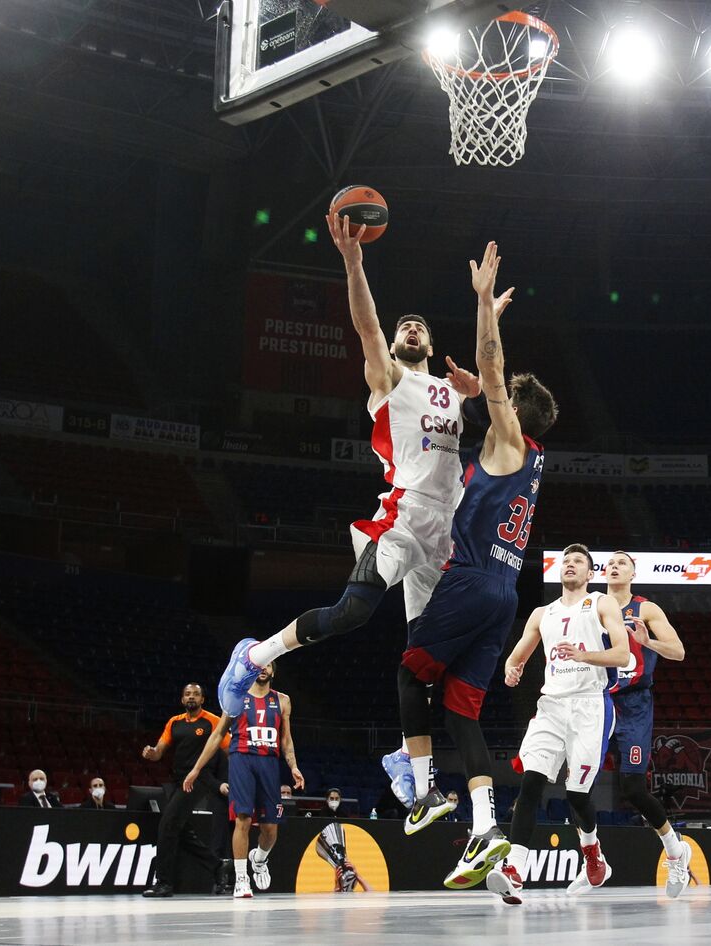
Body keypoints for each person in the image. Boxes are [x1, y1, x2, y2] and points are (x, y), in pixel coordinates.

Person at [213, 210, 480, 720]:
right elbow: (366, 326)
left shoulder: (452, 390)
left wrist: (482, 394)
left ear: (432, 344)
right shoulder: (390, 379)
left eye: (420, 327)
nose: (411, 328)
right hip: (403, 518)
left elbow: (499, 433)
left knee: (428, 659)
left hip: (447, 529)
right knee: (353, 612)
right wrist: (354, 264)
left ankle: (412, 762)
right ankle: (253, 656)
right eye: (405, 326)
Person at [388, 241, 557, 893]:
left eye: (503, 402)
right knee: (462, 714)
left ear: (517, 413)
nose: (494, 405)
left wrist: (485, 304)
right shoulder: (532, 461)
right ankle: (487, 829)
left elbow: (491, 362)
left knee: (408, 678)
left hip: (472, 578)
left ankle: (426, 794)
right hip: (505, 592)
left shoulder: (509, 439)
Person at [484, 545, 631, 905]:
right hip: (551, 705)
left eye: (578, 561)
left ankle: (592, 851)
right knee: (531, 781)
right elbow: (518, 653)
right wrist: (512, 669)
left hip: (590, 706)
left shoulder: (601, 604)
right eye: (565, 561)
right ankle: (514, 869)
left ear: (589, 573)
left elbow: (623, 655)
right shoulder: (541, 613)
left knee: (577, 794)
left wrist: (583, 655)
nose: (570, 565)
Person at [590, 550, 691, 897]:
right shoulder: (593, 605)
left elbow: (678, 652)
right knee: (579, 783)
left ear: (633, 572)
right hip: (598, 700)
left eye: (623, 563)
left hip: (633, 704)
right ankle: (593, 859)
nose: (615, 566)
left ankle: (675, 851)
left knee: (633, 788)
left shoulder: (645, 609)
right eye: (611, 562)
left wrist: (649, 642)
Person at [186, 662, 304, 900]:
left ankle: (259, 859)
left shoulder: (283, 700)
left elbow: (286, 739)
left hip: (269, 762)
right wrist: (196, 768)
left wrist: (293, 766)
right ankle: (241, 878)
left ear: (273, 671)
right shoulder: (236, 696)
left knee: (271, 829)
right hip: (241, 759)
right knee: (243, 818)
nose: (264, 668)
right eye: (260, 664)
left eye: (269, 664)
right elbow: (218, 734)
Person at [140, 683, 229, 897]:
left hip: (200, 779)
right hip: (178, 779)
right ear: (182, 700)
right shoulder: (174, 722)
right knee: (181, 830)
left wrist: (226, 780)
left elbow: (229, 749)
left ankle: (164, 883)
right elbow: (159, 751)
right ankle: (217, 866)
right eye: (187, 694)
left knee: (167, 825)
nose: (191, 697)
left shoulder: (212, 721)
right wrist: (151, 753)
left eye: (196, 694)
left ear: (202, 700)